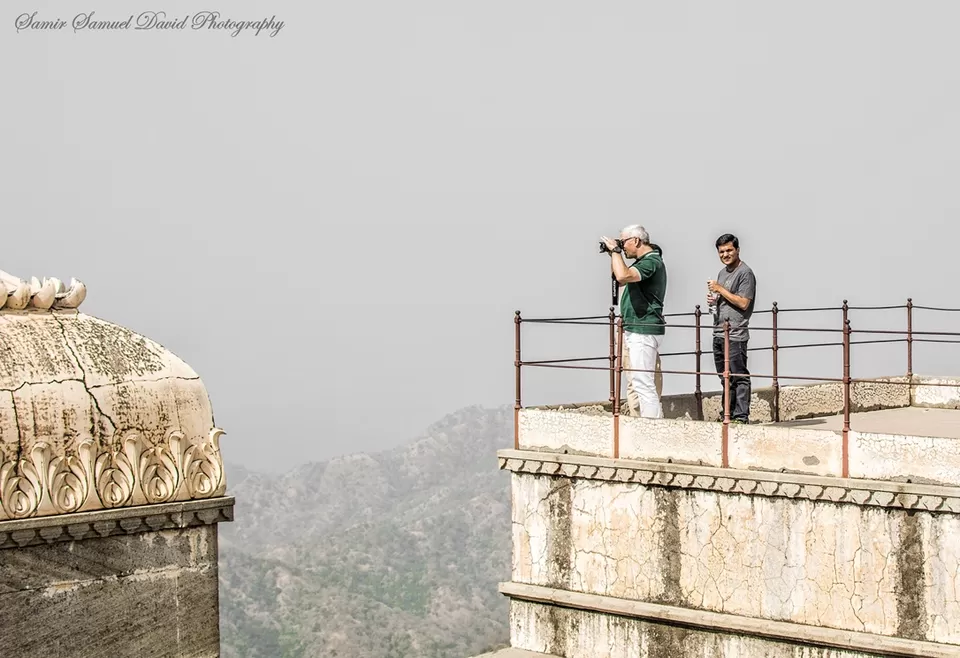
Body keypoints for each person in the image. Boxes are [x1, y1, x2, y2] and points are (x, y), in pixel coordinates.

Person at [600, 226, 667, 419]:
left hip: (643, 328)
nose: (622, 247)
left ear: (636, 241)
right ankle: (651, 424)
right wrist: (615, 256)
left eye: (623, 242)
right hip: (636, 327)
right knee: (639, 381)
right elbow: (620, 279)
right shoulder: (644, 262)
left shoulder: (651, 262)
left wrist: (615, 251)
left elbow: (623, 276)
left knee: (643, 382)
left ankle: (652, 426)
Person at [707, 233, 757, 423]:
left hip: (736, 333)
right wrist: (715, 299)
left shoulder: (745, 273)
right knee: (724, 377)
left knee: (738, 376)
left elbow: (744, 303)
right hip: (719, 331)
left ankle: (741, 417)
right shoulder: (723, 273)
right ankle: (727, 413)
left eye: (729, 250)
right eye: (722, 251)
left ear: (737, 250)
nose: (725, 254)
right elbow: (728, 298)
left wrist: (720, 289)